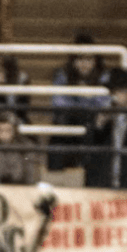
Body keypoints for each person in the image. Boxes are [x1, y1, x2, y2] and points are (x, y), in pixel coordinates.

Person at [48, 32, 111, 171]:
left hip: (93, 126)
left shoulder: (104, 76)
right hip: (70, 122)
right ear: (73, 60)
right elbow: (58, 103)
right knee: (59, 127)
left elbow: (105, 105)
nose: (84, 64)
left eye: (88, 59)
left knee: (98, 123)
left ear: (95, 60)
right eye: (79, 59)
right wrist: (83, 97)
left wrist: (87, 97)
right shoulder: (62, 74)